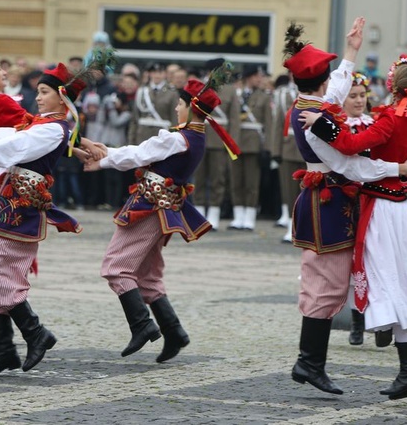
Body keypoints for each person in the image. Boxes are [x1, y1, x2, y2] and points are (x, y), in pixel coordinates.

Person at [282, 18, 407, 396]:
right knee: (325, 282)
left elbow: (339, 86)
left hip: (334, 198)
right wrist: (399, 168)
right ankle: (309, 362)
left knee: (331, 279)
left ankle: (312, 361)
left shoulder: (312, 103)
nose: (337, 82)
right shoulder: (314, 117)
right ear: (322, 81)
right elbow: (351, 164)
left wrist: (351, 51)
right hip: (328, 199)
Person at [84, 64, 240, 363]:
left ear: (190, 108)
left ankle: (142, 325)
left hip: (149, 206)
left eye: (180, 104)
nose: (177, 109)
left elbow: (139, 154)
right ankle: (174, 331)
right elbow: (139, 152)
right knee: (147, 274)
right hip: (163, 207)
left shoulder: (177, 138)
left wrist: (104, 158)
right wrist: (107, 154)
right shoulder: (195, 137)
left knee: (115, 267)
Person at [0, 63, 91, 377]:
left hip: (23, 206)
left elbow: (14, 148)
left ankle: (35, 332)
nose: (38, 98)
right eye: (39, 92)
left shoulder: (52, 128)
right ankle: (5, 351)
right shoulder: (45, 124)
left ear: (63, 98)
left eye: (45, 93)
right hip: (12, 203)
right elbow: (6, 138)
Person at [340, 72, 375, 346]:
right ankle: (356, 320)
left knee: (374, 258)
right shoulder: (339, 125)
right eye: (353, 96)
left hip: (373, 198)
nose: (359, 100)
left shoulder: (374, 125)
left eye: (362, 95)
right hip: (346, 199)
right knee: (350, 261)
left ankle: (378, 319)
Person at [227, 64, 272, 231]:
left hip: (254, 143)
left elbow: (268, 123)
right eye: (256, 76)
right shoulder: (236, 95)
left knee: (252, 183)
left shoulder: (264, 97)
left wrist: (268, 147)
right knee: (236, 180)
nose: (259, 79)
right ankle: (238, 216)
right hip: (236, 142)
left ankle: (249, 217)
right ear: (248, 77)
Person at [192, 58, 234, 230]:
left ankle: (214, 215)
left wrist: (231, 142)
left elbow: (234, 119)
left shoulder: (230, 91)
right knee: (199, 178)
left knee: (218, 179)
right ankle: (199, 214)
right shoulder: (198, 88)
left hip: (219, 139)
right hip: (199, 136)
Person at [269, 74, 302, 243]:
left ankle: (306, 228)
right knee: (289, 191)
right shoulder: (282, 94)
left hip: (310, 149)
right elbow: (278, 123)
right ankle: (291, 227)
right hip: (288, 146)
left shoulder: (318, 93)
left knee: (309, 192)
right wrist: (276, 151)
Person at [128, 62, 179, 145]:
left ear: (165, 74)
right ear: (150, 74)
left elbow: (175, 118)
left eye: (160, 72)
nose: (157, 75)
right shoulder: (142, 91)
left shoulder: (172, 92)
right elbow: (135, 118)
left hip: (162, 136)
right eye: (154, 72)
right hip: (142, 136)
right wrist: (131, 140)